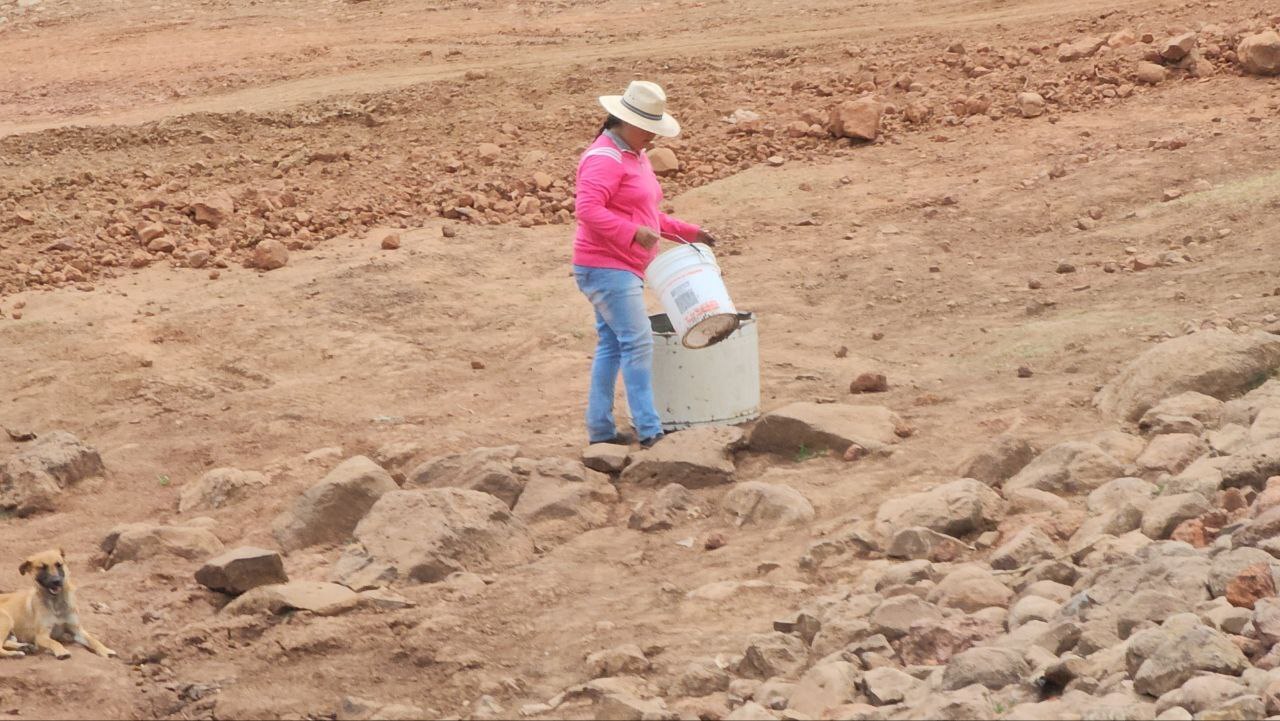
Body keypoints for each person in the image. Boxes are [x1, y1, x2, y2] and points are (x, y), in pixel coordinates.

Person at [572, 80, 718, 448]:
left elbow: (647, 214)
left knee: (613, 345)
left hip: (619, 266)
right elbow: (587, 211)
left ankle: (601, 431)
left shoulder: (631, 156)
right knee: (637, 344)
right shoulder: (604, 158)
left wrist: (688, 232)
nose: (654, 138)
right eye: (650, 130)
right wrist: (632, 234)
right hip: (607, 267)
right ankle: (650, 432)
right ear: (630, 123)